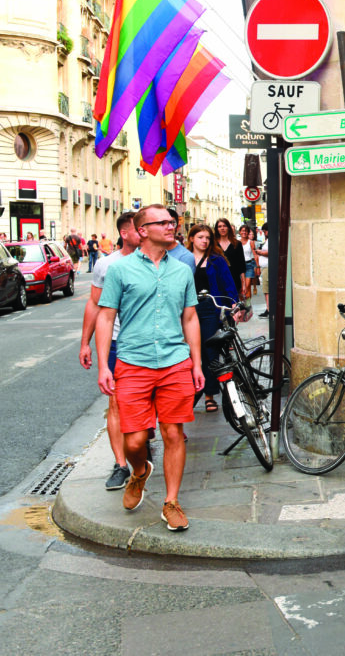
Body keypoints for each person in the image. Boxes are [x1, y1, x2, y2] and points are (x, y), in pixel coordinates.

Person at [95, 203, 204, 533]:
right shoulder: (120, 270)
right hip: (133, 362)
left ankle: (171, 502)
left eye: (173, 222)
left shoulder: (183, 270)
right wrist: (104, 365)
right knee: (134, 442)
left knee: (174, 433)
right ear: (142, 231)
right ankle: (139, 471)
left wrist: (196, 363)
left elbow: (189, 317)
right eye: (163, 223)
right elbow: (105, 316)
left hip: (175, 362)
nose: (172, 227)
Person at [79, 212, 141, 490]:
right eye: (139, 229)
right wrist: (85, 343)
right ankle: (120, 464)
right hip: (118, 343)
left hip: (151, 345)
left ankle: (140, 446)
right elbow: (94, 305)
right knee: (115, 403)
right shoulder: (105, 265)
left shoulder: (162, 261)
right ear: (125, 233)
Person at [186, 223, 238, 412]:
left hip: (209, 309)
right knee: (189, 354)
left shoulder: (216, 260)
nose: (204, 241)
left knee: (210, 353)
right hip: (187, 309)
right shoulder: (184, 259)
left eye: (207, 238)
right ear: (191, 238)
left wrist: (233, 304)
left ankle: (209, 395)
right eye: (200, 237)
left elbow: (228, 283)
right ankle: (189, 393)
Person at [215, 218, 245, 296]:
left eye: (224, 226)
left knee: (234, 304)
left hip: (234, 279)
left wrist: (244, 284)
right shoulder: (213, 245)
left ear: (228, 228)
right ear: (217, 229)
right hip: (218, 279)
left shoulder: (237, 244)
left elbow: (241, 265)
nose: (222, 228)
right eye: (219, 226)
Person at [165, 208, 197, 273]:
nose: (169, 228)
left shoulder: (185, 257)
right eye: (162, 224)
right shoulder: (145, 253)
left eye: (172, 224)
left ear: (178, 227)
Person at [238, 224, 259, 302]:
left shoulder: (251, 242)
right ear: (240, 232)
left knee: (247, 286)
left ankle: (248, 305)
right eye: (243, 231)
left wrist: (257, 267)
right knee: (240, 288)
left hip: (249, 265)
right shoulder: (237, 242)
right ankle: (242, 304)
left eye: (246, 231)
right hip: (239, 266)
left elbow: (255, 254)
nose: (244, 232)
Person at [256, 222, 270, 317]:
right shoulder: (268, 240)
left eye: (265, 231)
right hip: (265, 267)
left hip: (267, 268)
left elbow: (269, 252)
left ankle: (269, 309)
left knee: (266, 289)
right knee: (266, 289)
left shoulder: (270, 240)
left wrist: (259, 252)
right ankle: (268, 308)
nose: (264, 233)